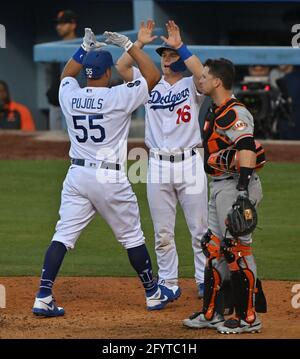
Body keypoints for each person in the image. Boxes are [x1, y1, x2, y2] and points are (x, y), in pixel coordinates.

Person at [32, 28, 180, 317]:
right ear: (107, 73)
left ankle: (43, 295)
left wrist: (82, 50)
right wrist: (130, 45)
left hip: (77, 176)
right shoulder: (116, 97)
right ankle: (152, 294)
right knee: (132, 237)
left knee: (62, 236)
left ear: (88, 72)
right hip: (108, 178)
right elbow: (152, 77)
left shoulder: (70, 94)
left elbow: (65, 76)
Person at [116, 20, 208, 299]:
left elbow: (202, 72)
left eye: (170, 56)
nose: (166, 60)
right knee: (162, 232)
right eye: (164, 56)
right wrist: (139, 43)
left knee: (199, 228)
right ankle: (168, 281)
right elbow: (122, 67)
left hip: (190, 162)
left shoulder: (194, 85)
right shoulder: (148, 84)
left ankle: (205, 278)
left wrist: (181, 45)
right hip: (156, 164)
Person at [183, 58, 266, 334]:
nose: (200, 79)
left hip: (234, 186)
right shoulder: (216, 109)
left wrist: (242, 192)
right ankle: (213, 313)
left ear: (217, 81)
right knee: (214, 247)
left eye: (204, 76)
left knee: (237, 250)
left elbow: (247, 147)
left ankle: (249, 318)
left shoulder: (234, 112)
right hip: (219, 184)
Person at [46, 10, 78, 130]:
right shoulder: (55, 48)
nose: (59, 27)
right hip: (56, 104)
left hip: (74, 105)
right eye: (58, 24)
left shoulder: (81, 47)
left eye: (63, 23)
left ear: (73, 25)